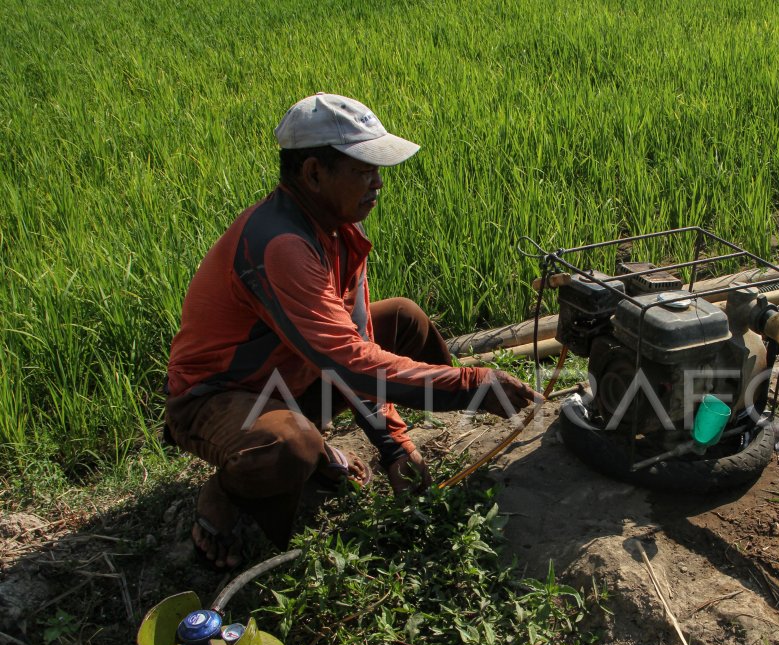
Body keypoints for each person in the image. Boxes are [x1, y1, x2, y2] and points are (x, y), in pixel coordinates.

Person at [165, 93, 539, 569]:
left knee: (402, 319)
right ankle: (227, 493)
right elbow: (349, 362)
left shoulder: (338, 230)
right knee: (287, 447)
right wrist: (469, 384)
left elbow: (358, 344)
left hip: (292, 376)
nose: (378, 182)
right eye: (363, 170)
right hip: (216, 397)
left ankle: (313, 443)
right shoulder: (281, 244)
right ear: (314, 173)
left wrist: (393, 444)